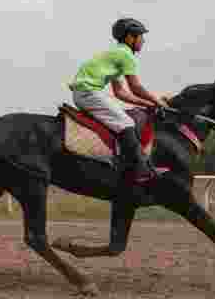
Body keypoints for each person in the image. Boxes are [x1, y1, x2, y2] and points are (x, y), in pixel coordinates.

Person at [69, 18, 171, 184]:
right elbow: (135, 87)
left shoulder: (116, 54)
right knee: (126, 122)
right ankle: (140, 169)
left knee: (123, 120)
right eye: (140, 36)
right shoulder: (126, 55)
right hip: (88, 92)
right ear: (130, 38)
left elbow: (121, 93)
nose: (143, 41)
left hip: (84, 92)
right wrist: (157, 101)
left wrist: (150, 103)